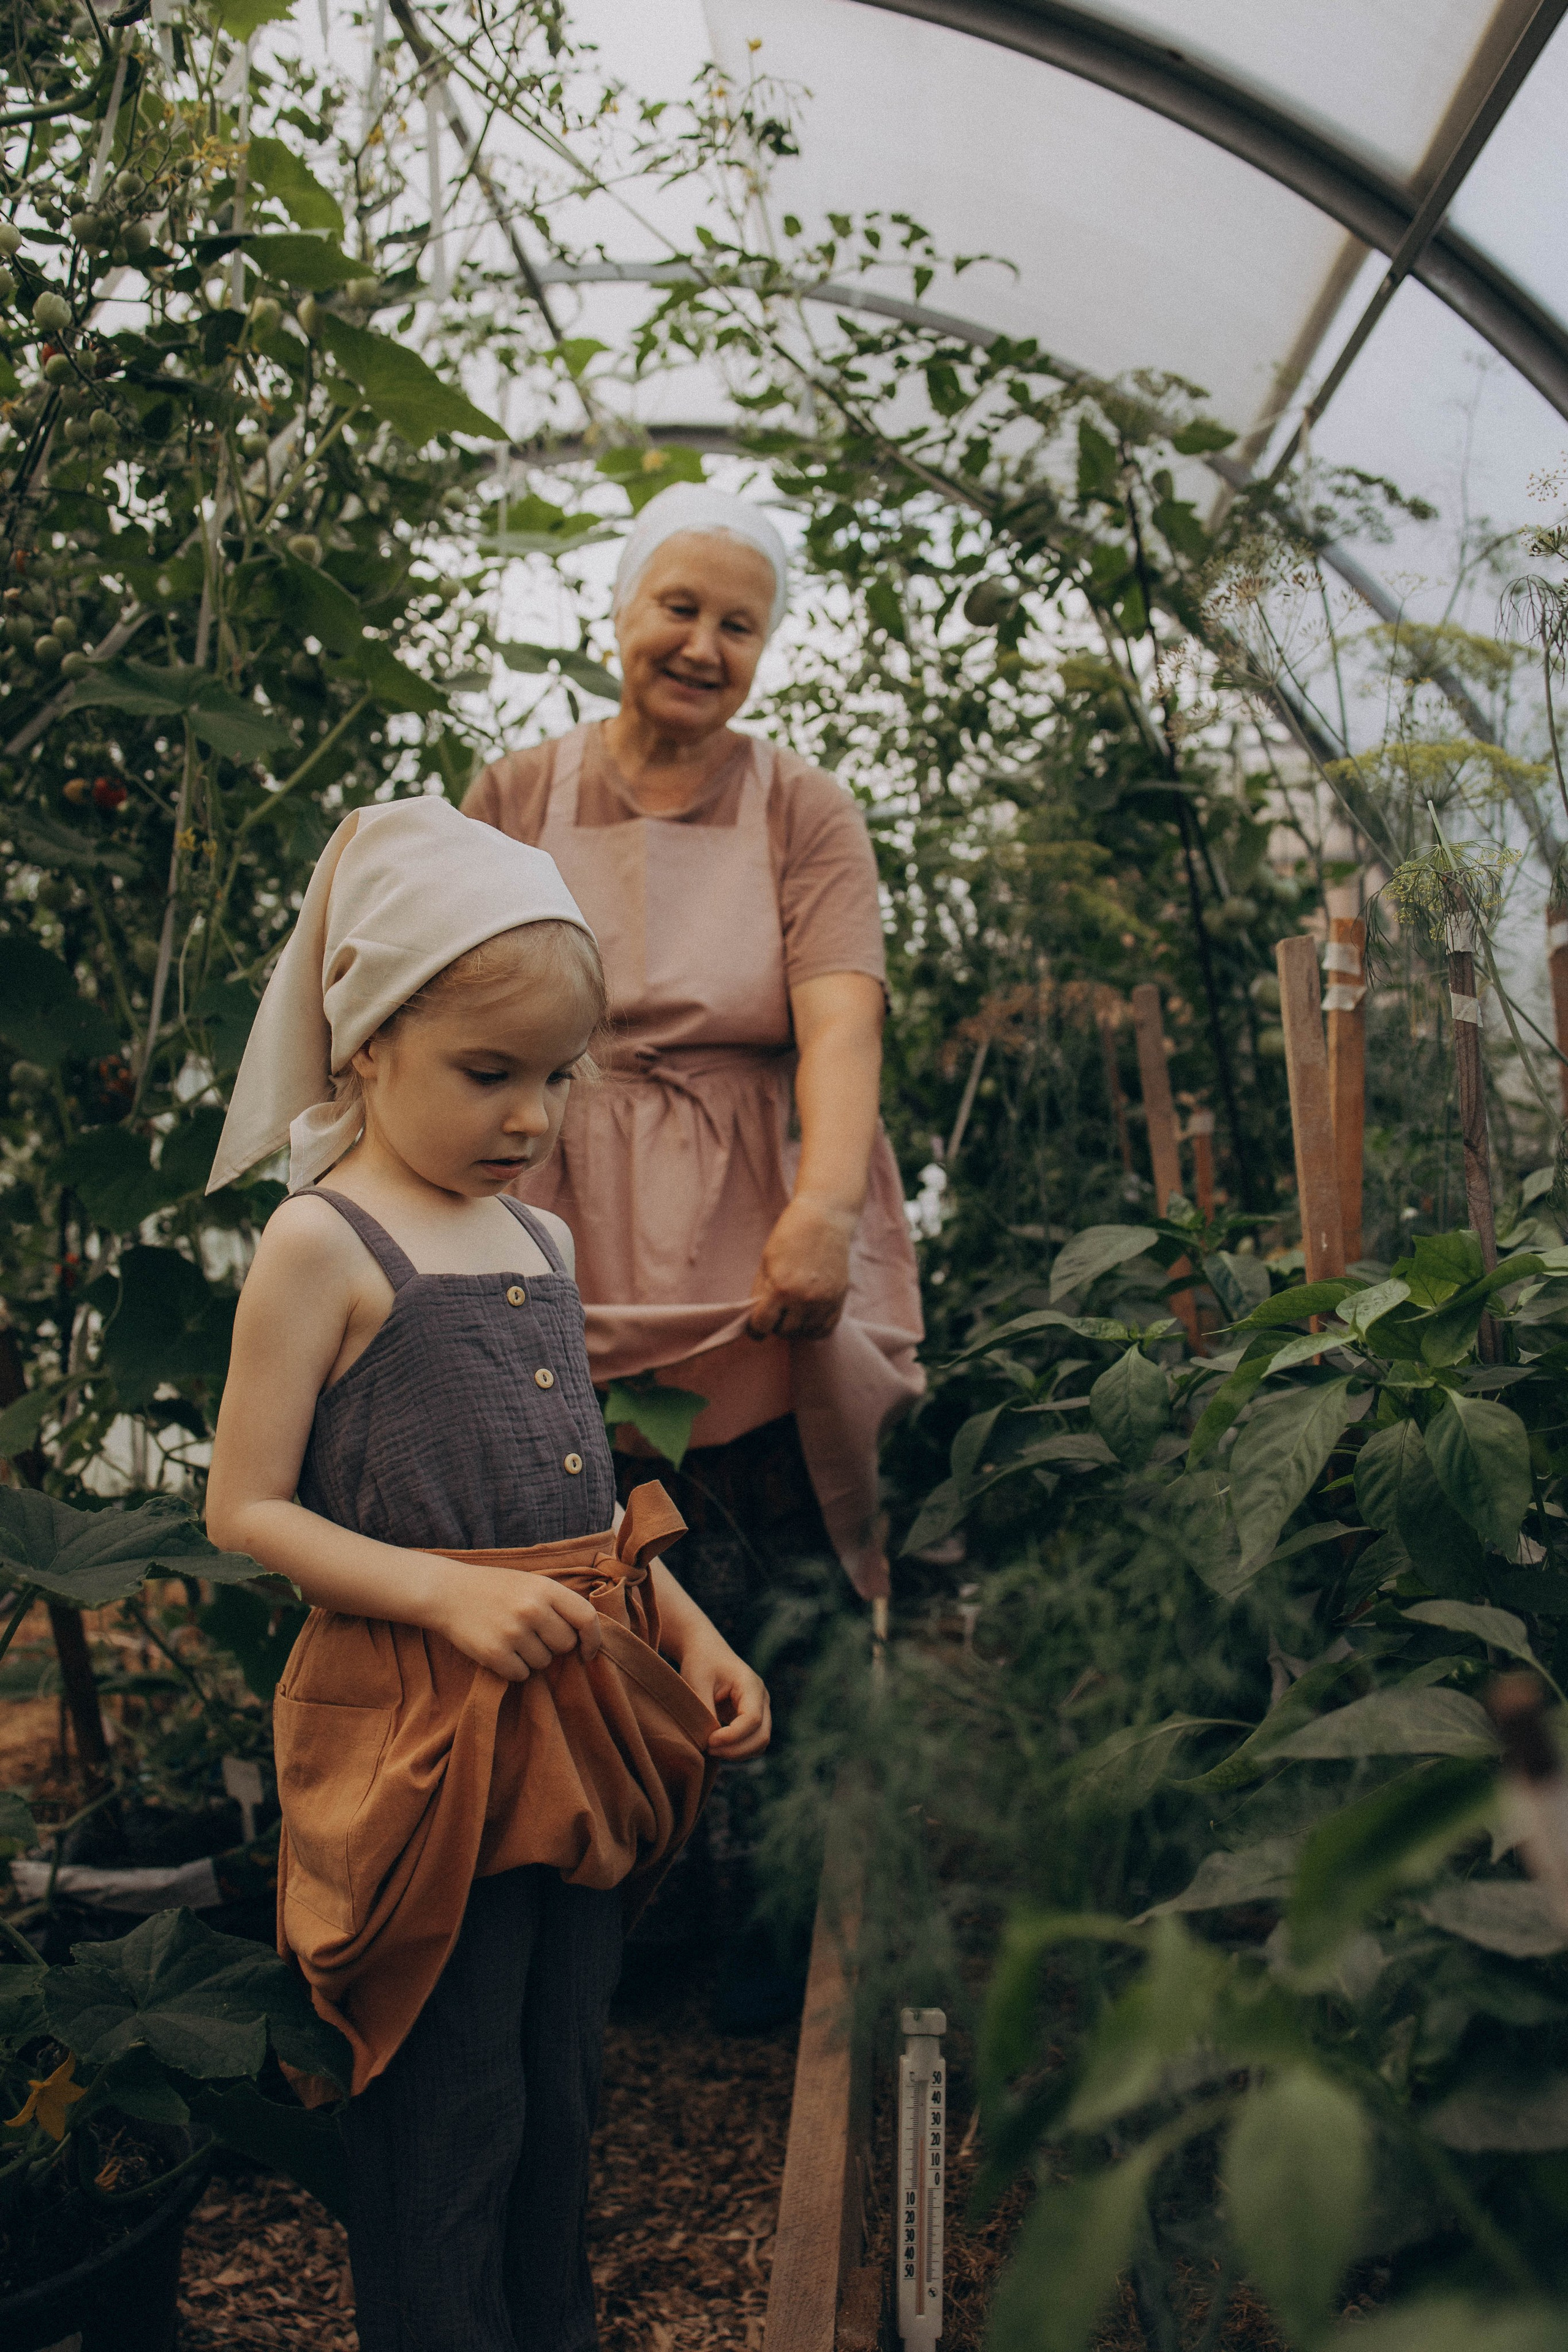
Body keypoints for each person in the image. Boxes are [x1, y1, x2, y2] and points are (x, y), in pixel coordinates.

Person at [204, 796, 769, 2352]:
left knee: (559, 2087)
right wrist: (442, 1592)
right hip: (423, 1738)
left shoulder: (536, 1240)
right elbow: (241, 1509)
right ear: (367, 1041)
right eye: (486, 1072)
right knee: (448, 2105)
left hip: (573, 1718)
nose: (530, 1113)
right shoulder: (323, 1245)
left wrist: (682, 1618)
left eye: (557, 1076)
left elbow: (577, 1483)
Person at [464, 481, 924, 1653]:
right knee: (561, 1508)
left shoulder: (804, 809)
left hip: (747, 1207)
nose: (702, 647)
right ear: (622, 611)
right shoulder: (517, 793)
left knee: (764, 1521)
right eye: (679, 608)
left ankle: (776, 1767)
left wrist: (824, 1209)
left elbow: (840, 1021)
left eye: (740, 627)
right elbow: (451, 1013)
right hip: (552, 1189)